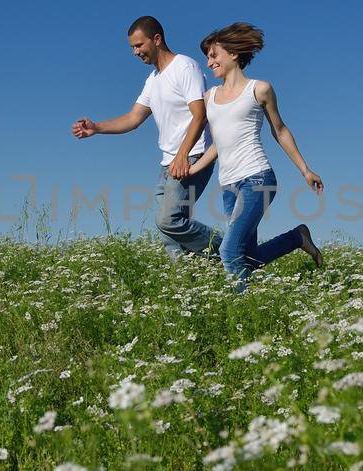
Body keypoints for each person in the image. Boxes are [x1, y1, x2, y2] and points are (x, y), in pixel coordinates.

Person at [184, 22, 324, 288]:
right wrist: (193, 168)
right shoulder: (210, 97)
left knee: (228, 252)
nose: (209, 62)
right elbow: (219, 144)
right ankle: (298, 238)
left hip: (258, 179)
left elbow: (280, 131)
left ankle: (246, 312)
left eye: (214, 55)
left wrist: (305, 170)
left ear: (233, 54)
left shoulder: (259, 89)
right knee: (248, 257)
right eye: (207, 57)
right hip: (228, 185)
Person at [71, 16, 222, 258]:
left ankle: (234, 252)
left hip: (193, 156)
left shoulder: (184, 66)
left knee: (169, 220)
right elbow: (133, 118)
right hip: (168, 162)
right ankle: (186, 285)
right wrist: (96, 127)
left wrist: (183, 155)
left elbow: (200, 115)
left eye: (139, 45)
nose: (135, 52)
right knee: (168, 235)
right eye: (132, 47)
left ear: (157, 39)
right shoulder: (153, 81)